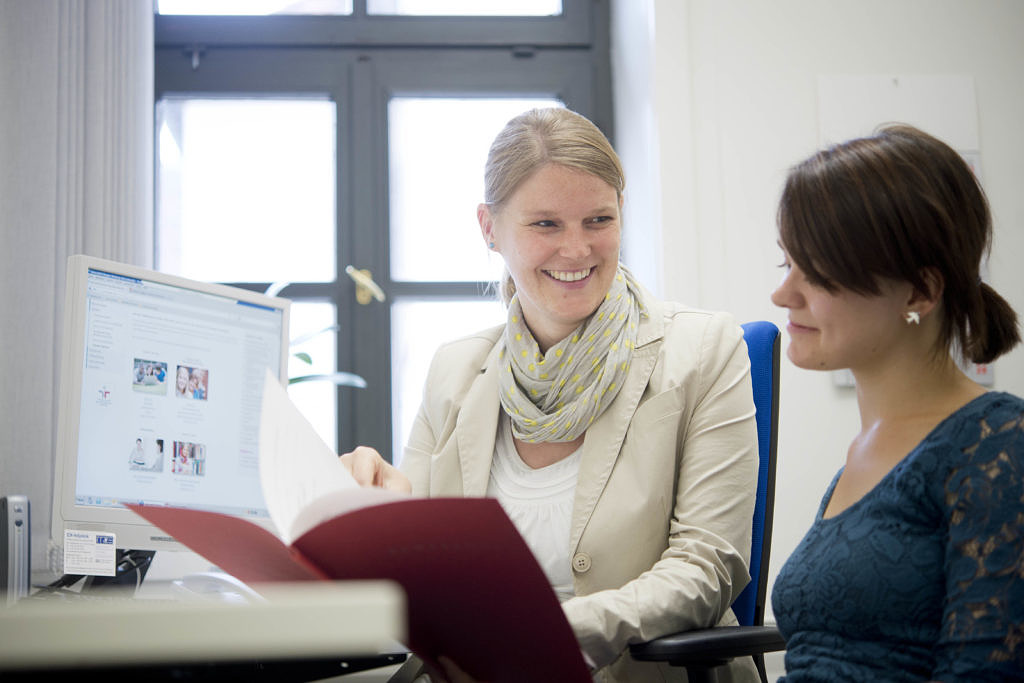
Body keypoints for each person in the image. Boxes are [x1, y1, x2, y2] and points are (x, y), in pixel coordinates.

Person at [341, 107, 760, 682]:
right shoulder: (455, 370)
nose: (577, 249)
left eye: (598, 220)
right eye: (546, 224)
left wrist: (548, 633)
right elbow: (419, 570)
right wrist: (366, 510)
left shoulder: (703, 349)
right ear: (489, 228)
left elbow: (708, 566)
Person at [770, 124, 1024, 681]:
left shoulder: (998, 445)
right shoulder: (860, 454)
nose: (783, 294)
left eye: (817, 273)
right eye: (786, 264)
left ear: (918, 293)